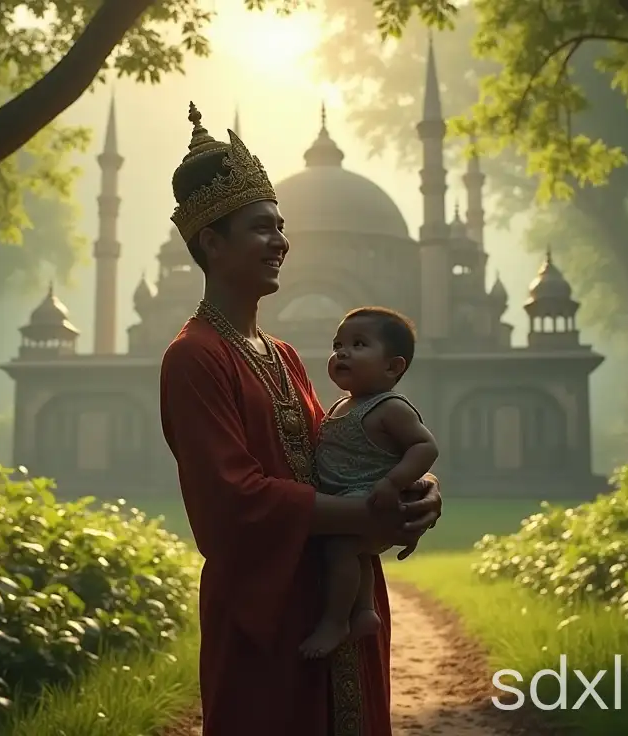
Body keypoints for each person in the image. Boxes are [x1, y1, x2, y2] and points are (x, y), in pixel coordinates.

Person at [158, 103, 444, 736]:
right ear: (211, 241)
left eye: (282, 226)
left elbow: (337, 458)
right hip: (266, 612)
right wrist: (375, 513)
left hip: (337, 601)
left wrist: (416, 486)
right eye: (262, 227)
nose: (281, 241)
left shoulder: (283, 354)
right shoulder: (194, 357)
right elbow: (234, 502)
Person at [300, 307, 439, 660]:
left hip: (370, 500)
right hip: (347, 498)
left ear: (393, 367)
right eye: (338, 345)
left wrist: (395, 482)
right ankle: (363, 612)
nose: (342, 352)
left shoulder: (390, 407)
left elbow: (425, 446)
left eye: (358, 344)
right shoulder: (343, 405)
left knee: (341, 549)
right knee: (353, 553)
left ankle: (335, 622)